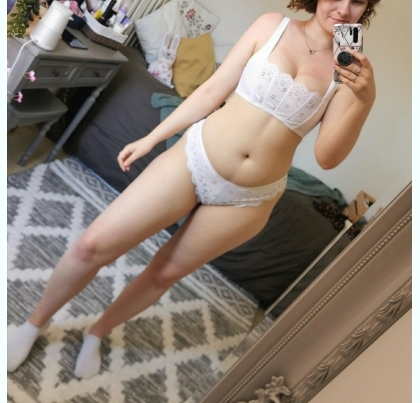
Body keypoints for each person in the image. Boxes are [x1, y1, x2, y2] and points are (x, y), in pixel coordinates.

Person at [8, 0, 380, 378]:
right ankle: (34, 323)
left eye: (358, 1)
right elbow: (212, 90)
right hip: (196, 157)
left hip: (251, 198)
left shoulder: (348, 70)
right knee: (92, 245)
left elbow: (326, 157)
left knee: (164, 273)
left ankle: (98, 331)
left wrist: (365, 101)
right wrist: (152, 138)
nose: (343, 8)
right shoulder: (273, 26)